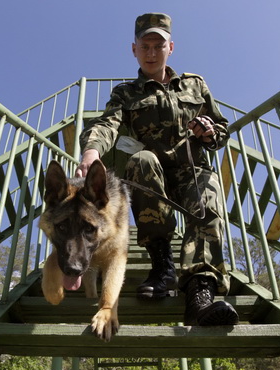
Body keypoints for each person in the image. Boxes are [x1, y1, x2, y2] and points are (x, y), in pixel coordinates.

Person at [75, 12, 238, 326]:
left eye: (158, 45)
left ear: (170, 47)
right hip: (152, 175)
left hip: (191, 169)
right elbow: (107, 124)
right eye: (144, 45)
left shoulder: (195, 84)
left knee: (207, 187)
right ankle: (163, 265)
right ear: (133, 49)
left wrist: (209, 131)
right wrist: (91, 153)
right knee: (141, 161)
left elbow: (221, 130)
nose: (151, 52)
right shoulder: (126, 92)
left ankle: (200, 292)